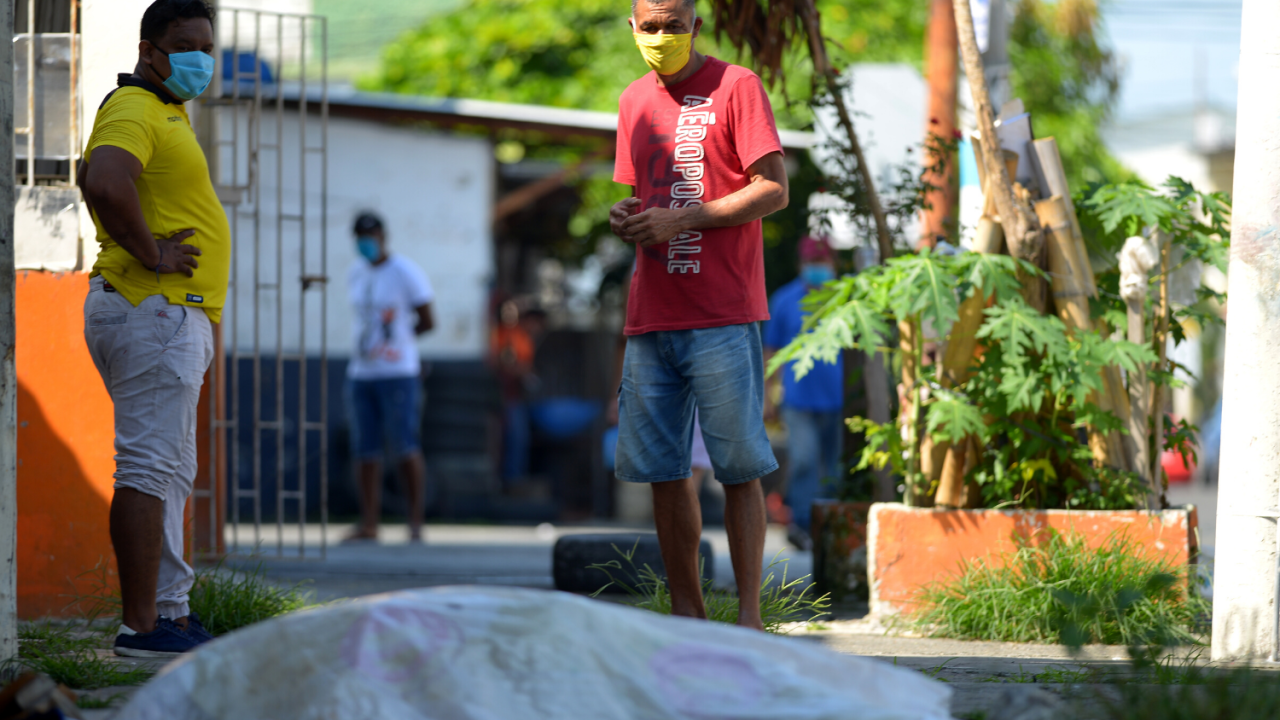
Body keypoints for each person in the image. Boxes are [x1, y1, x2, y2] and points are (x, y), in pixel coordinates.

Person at [609, 0, 789, 630]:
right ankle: (686, 616)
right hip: (650, 314)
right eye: (650, 27)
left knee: (739, 468)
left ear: (696, 26)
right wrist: (626, 218)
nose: (661, 37)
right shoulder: (633, 101)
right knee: (663, 471)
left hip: (722, 310)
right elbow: (640, 198)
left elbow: (774, 188)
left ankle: (748, 618)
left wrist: (683, 217)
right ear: (632, 29)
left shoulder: (737, 86)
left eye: (674, 25)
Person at [77, 0, 224, 657]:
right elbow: (103, 180)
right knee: (146, 466)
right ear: (149, 52)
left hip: (164, 314)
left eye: (206, 46)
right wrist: (151, 252)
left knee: (167, 470)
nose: (202, 59)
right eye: (186, 45)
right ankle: (140, 627)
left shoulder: (167, 112)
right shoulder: (135, 108)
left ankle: (168, 614)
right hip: (152, 306)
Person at [345, 211, 435, 542]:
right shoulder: (356, 273)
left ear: (383, 236)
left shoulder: (405, 272)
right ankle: (369, 522)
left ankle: (415, 521)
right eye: (360, 236)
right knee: (364, 448)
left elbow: (428, 320)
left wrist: (399, 342)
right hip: (361, 371)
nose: (365, 242)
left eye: (370, 235)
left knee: (404, 445)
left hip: (398, 372)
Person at [763, 236, 844, 551]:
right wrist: (768, 396)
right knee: (805, 461)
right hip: (797, 400)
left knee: (834, 467)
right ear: (801, 264)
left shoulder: (844, 299)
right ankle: (801, 523)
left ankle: (829, 527)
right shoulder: (784, 299)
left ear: (834, 264)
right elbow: (771, 350)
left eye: (823, 263)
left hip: (839, 401)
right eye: (813, 263)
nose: (818, 269)